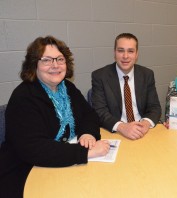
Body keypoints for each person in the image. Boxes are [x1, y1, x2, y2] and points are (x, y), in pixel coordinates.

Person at [0, 36, 110, 198]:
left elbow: (89, 114)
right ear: (34, 64)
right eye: (46, 60)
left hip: (63, 163)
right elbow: (35, 149)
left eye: (60, 59)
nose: (55, 65)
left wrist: (87, 133)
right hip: (26, 172)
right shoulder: (23, 97)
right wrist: (85, 153)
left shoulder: (68, 87)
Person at [91, 33, 161, 140]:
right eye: (121, 50)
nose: (125, 56)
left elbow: (154, 107)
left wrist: (145, 123)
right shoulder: (100, 76)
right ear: (114, 53)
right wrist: (122, 127)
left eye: (130, 51)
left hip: (142, 131)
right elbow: (99, 111)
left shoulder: (147, 74)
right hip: (116, 132)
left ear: (137, 54)